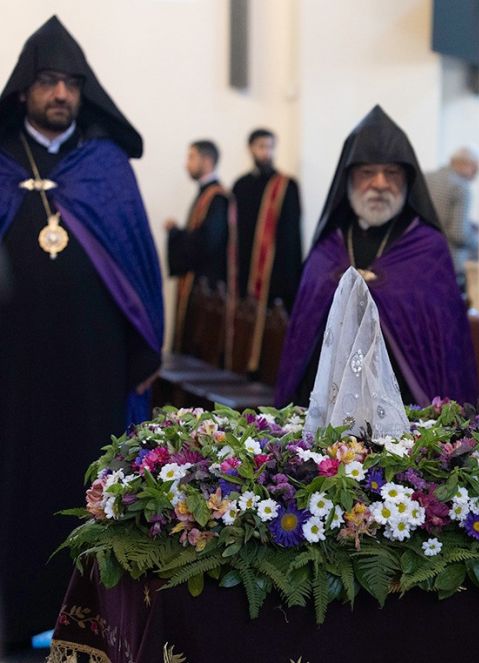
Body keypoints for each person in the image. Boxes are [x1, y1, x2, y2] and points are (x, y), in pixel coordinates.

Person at [0, 16, 163, 649]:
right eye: (47, 81)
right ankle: (16, 623)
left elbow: (141, 267)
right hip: (11, 369)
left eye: (70, 82)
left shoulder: (107, 166)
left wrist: (146, 349)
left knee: (88, 482)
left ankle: (92, 629)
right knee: (17, 484)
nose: (60, 93)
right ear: (24, 90)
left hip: (92, 367)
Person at [275, 105, 477, 407]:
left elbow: (442, 341)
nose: (380, 183)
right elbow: (304, 324)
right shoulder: (329, 245)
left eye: (392, 173)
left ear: (407, 181)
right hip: (327, 394)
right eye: (368, 172)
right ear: (349, 179)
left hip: (404, 400)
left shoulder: (427, 246)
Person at [231, 128, 302, 372]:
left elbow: (292, 238)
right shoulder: (240, 186)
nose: (266, 151)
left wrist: (289, 280)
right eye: (261, 146)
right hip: (245, 274)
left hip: (276, 275)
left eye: (270, 146)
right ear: (251, 148)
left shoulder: (286, 186)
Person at [165, 139, 235, 358]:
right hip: (197, 285)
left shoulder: (217, 198)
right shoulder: (205, 194)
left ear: (207, 160)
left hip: (208, 288)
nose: (187, 164)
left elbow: (208, 242)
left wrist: (176, 235)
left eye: (191, 157)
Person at [425, 146, 479, 291]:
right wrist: (478, 243)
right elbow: (458, 233)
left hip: (421, 259)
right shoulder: (461, 187)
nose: (476, 176)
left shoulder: (426, 178)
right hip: (447, 263)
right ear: (466, 165)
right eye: (476, 169)